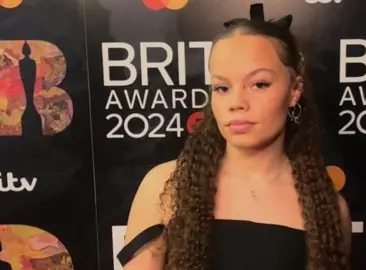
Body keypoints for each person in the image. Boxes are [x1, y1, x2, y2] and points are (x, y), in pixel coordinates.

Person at [118, 3, 351, 270]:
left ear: (294, 90)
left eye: (259, 84)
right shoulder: (165, 187)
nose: (236, 102)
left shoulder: (328, 208)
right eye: (222, 87)